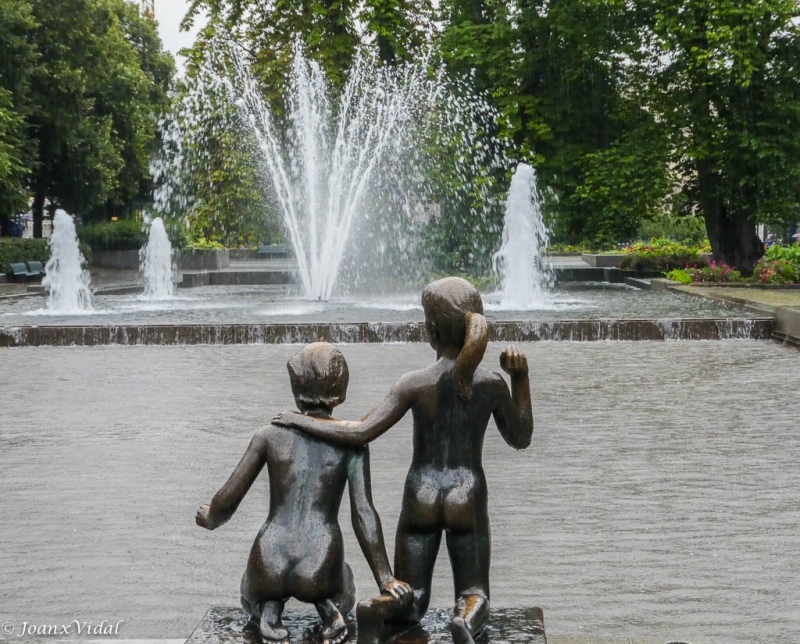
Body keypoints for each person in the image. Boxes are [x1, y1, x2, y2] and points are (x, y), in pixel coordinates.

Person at [274, 277, 534, 644]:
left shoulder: (414, 383)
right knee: (474, 590)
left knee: (412, 599)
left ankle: (377, 608)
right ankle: (465, 619)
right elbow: (521, 437)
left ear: (431, 330)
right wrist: (520, 379)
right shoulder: (491, 384)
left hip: (421, 496)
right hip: (467, 495)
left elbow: (360, 431)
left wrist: (301, 419)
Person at [196, 343, 411, 644]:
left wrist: (211, 516)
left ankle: (269, 611)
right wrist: (385, 578)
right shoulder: (352, 446)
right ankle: (329, 609)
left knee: (250, 591)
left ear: (296, 388)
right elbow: (363, 514)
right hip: (321, 563)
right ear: (340, 392)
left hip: (268, 559)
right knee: (344, 582)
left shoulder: (269, 435)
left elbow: (230, 495)